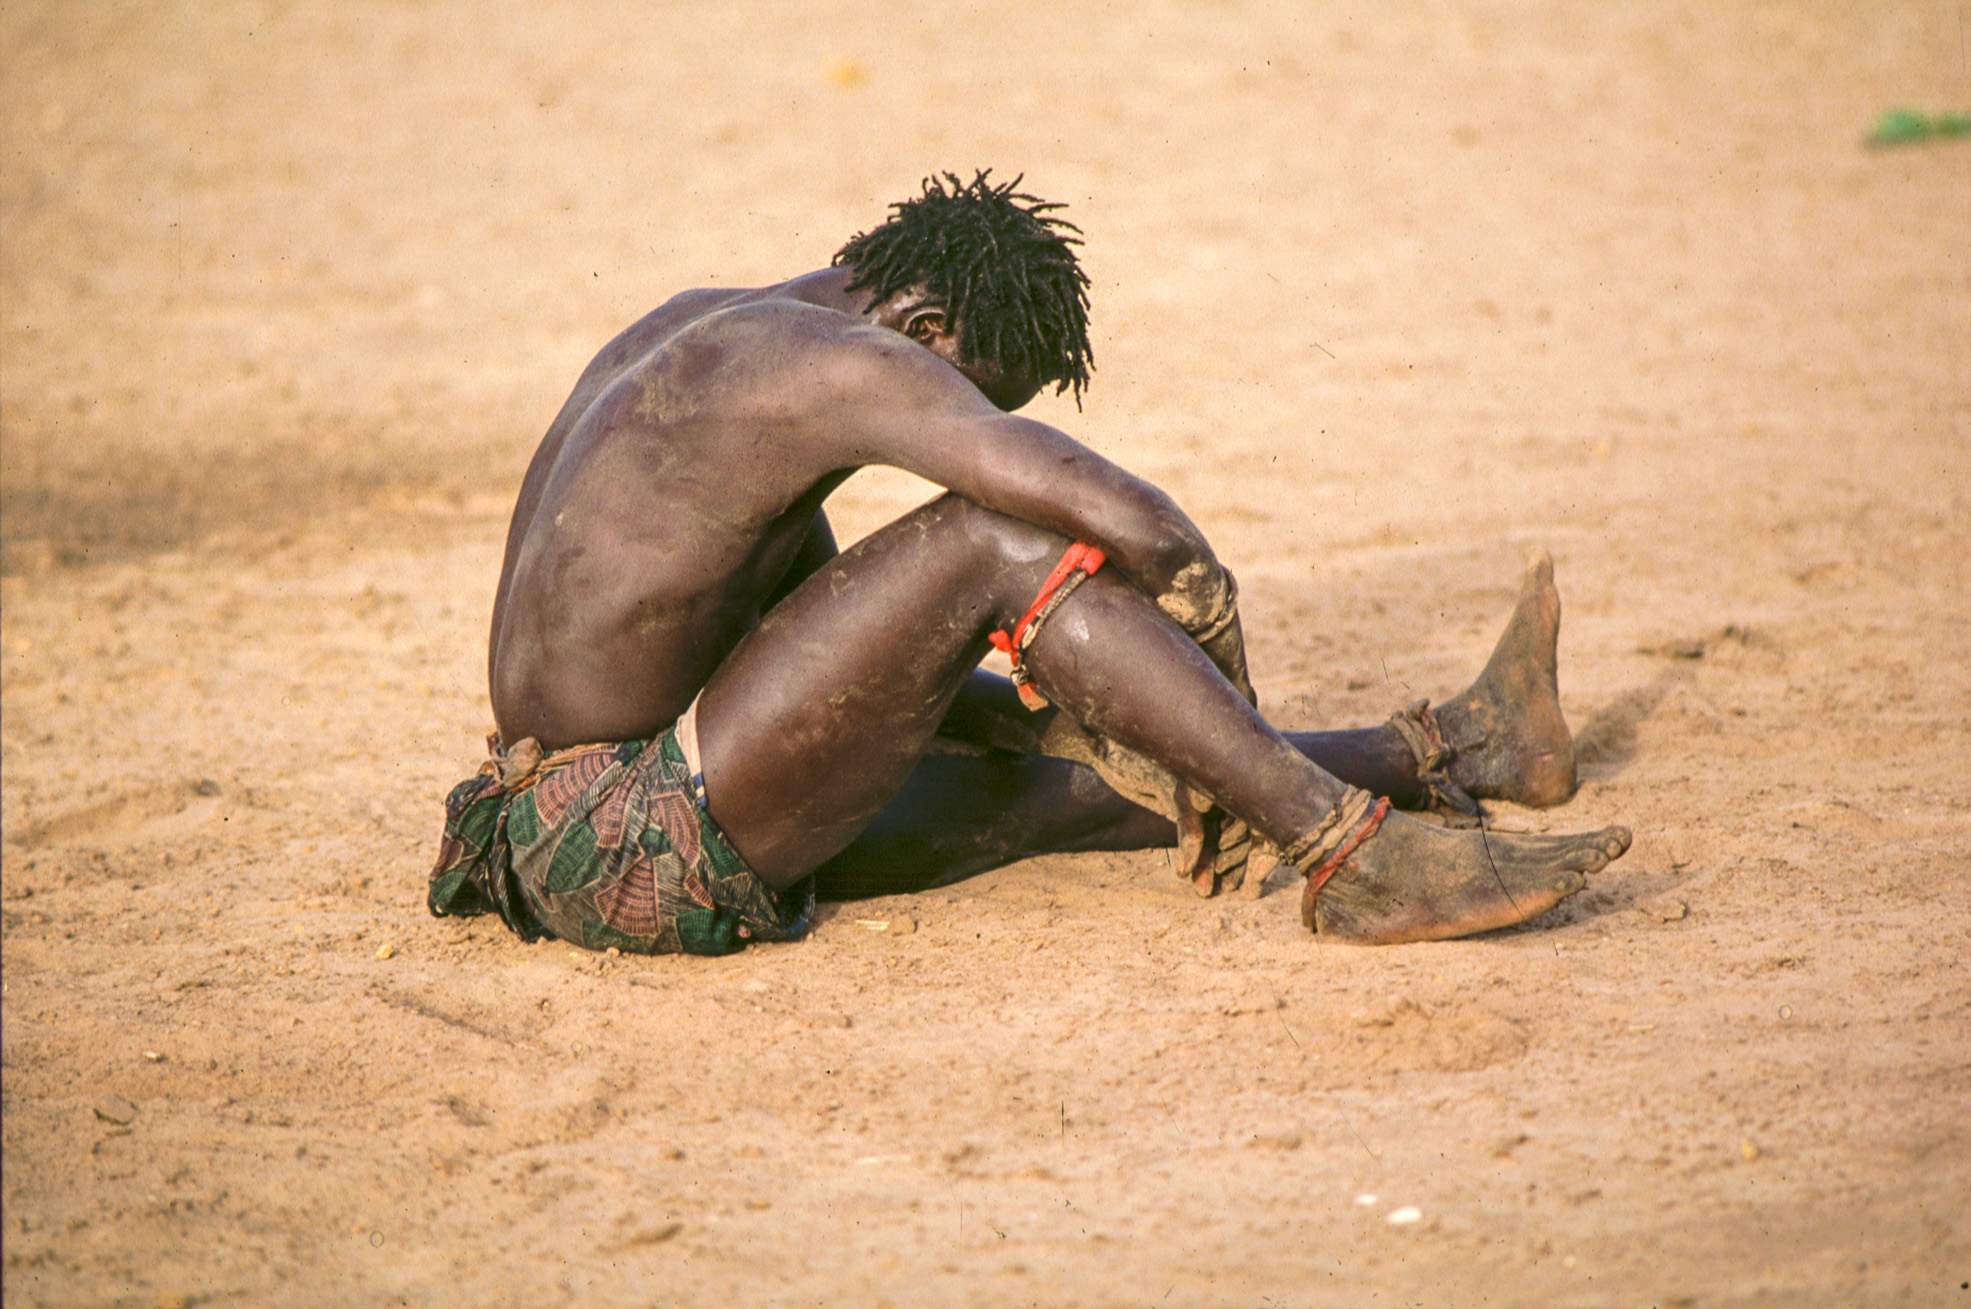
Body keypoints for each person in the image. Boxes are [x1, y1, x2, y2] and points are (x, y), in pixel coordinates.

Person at [429, 171, 1629, 957]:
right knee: (992, 536)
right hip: (626, 833)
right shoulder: (851, 367)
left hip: (590, 810)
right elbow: (1132, 523)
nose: (947, 408)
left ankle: (1460, 746)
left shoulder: (712, 336)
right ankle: (1351, 859)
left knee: (1066, 789)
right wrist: (1215, 643)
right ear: (925, 331)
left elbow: (815, 653)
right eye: (962, 390)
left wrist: (1087, 722)